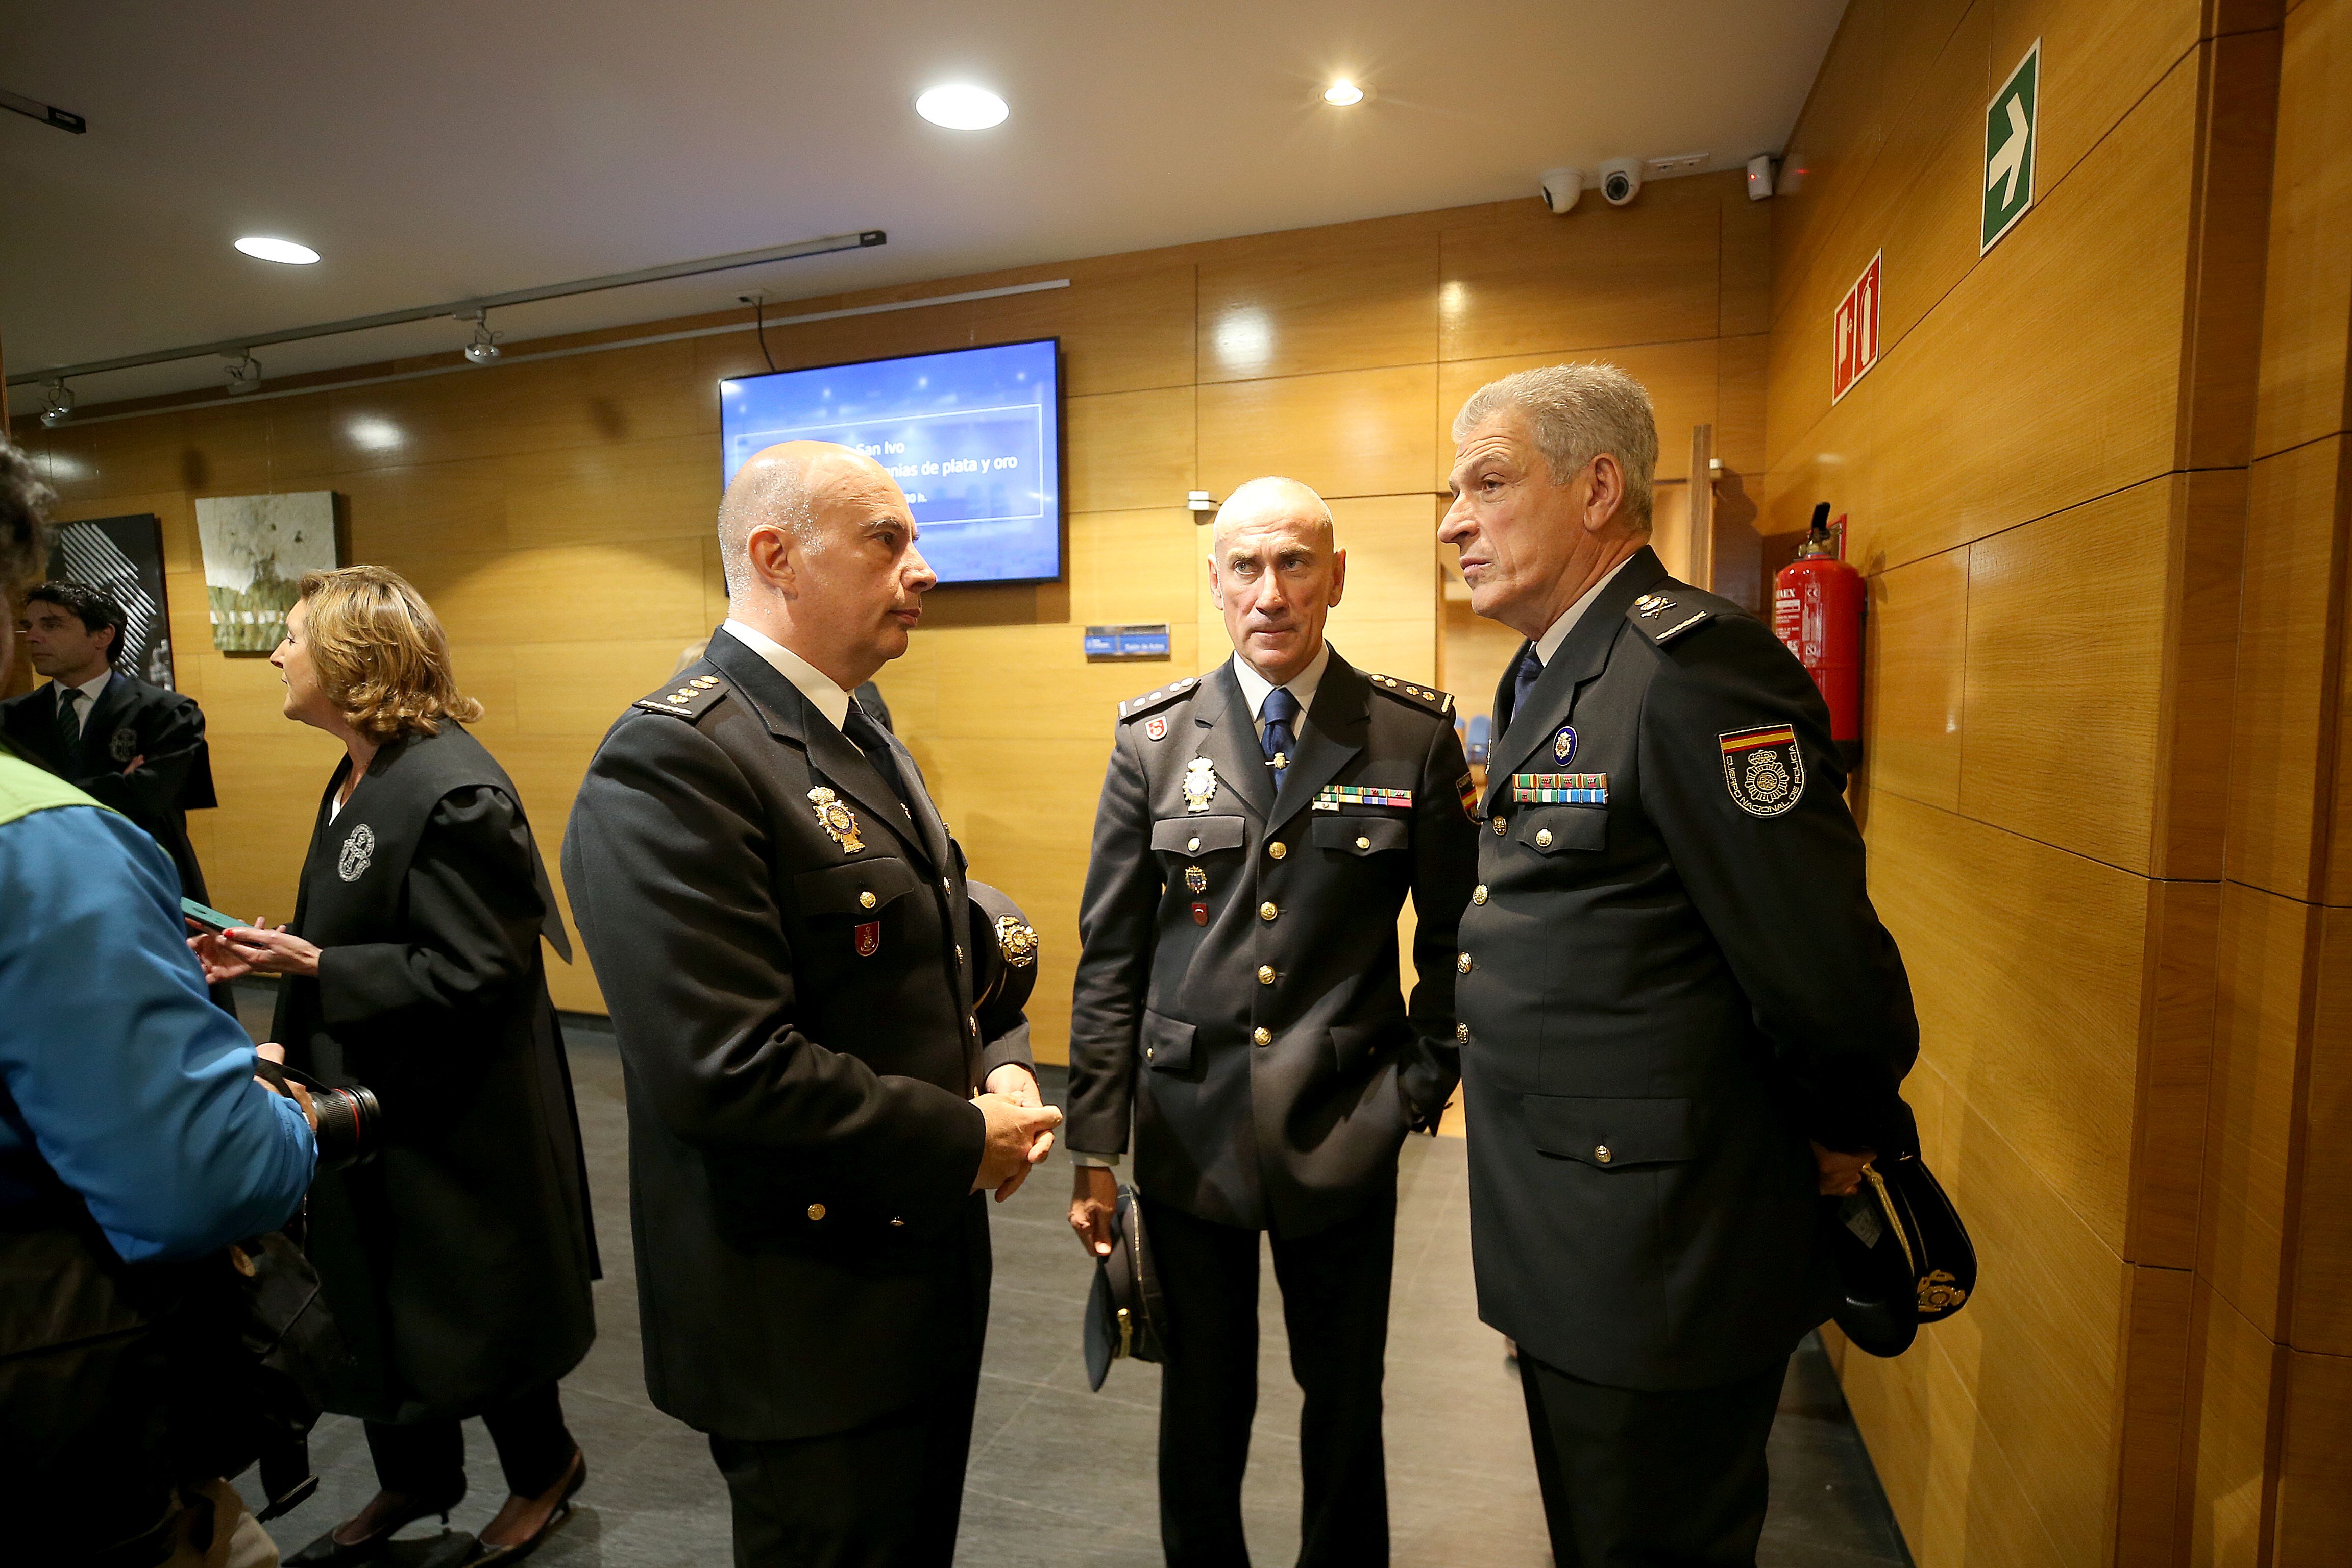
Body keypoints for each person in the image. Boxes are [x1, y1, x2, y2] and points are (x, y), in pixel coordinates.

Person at [1437, 364, 1919, 1567]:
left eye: (1487, 484)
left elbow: (1819, 963)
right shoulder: (1552, 669)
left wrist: (1846, 1128)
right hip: (1578, 1242)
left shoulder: (1694, 668)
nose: (1454, 522)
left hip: (1661, 1260)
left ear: (1597, 489)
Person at [562, 440, 1062, 1568]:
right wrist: (962, 1137)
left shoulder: (854, 721)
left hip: (913, 1284)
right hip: (803, 1316)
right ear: (776, 556)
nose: (922, 569)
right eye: (887, 540)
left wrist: (1001, 1055)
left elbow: (944, 933)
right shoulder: (674, 761)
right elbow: (724, 1070)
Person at [1065, 476, 1479, 1566]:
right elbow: (1111, 956)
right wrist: (1095, 1145)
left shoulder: (1408, 733)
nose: (1270, 591)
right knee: (1202, 1403)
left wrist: (1419, 1085)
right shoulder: (1154, 739)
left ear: (1334, 577)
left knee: (1344, 1400)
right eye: (1245, 565)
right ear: (1215, 581)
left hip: (1345, 1122)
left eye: (1294, 563)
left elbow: (1456, 937)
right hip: (1188, 1125)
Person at [189, 565, 598, 1566]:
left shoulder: (453, 790)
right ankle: (417, 1478)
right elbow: (342, 921)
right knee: (375, 1287)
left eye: (292, 637)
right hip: (365, 1085)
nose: (276, 654)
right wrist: (279, 991)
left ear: (349, 658)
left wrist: (317, 965)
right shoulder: (358, 771)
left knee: (473, 1297)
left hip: (457, 1103)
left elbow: (481, 972)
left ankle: (544, 1469)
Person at [0, 439, 317, 1565]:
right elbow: (196, 1178)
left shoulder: (141, 730)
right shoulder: (42, 838)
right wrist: (287, 1116)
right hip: (54, 1381)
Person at [3, 579, 219, 904]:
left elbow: (149, 797)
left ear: (102, 636)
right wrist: (116, 784)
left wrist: (42, 794)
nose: (32, 637)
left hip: (139, 880)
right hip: (42, 882)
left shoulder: (167, 713)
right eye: (29, 626)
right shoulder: (9, 719)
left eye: (51, 625)